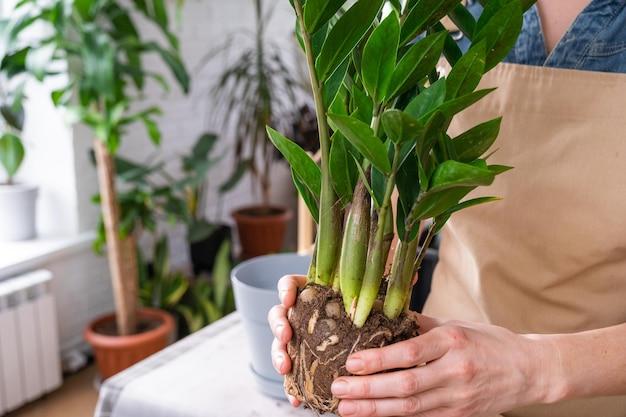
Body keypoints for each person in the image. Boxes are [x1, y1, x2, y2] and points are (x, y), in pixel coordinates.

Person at [269, 1, 626, 416]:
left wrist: (533, 369)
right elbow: (389, 188)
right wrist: (326, 306)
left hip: (593, 398)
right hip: (430, 377)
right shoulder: (433, 10)